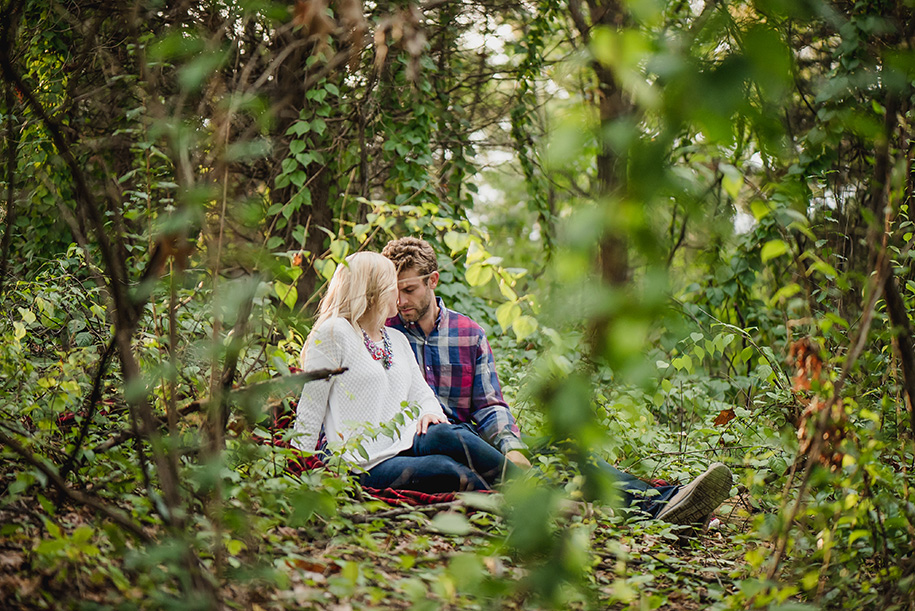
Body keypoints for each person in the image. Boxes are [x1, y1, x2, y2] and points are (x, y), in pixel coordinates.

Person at [382, 237, 732, 525]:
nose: (400, 300)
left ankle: (670, 502)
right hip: (424, 443)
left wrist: (511, 446)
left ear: (433, 280)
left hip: (475, 441)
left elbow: (489, 406)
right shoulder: (385, 333)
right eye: (394, 291)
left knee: (564, 449)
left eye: (409, 289)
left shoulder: (468, 333)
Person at [293, 251, 517, 493]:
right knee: (444, 468)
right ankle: (509, 497)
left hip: (406, 439)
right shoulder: (334, 333)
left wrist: (430, 412)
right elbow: (311, 408)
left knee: (447, 434)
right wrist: (299, 473)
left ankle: (529, 486)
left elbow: (423, 394)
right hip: (362, 461)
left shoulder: (396, 339)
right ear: (372, 291)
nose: (398, 297)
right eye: (392, 286)